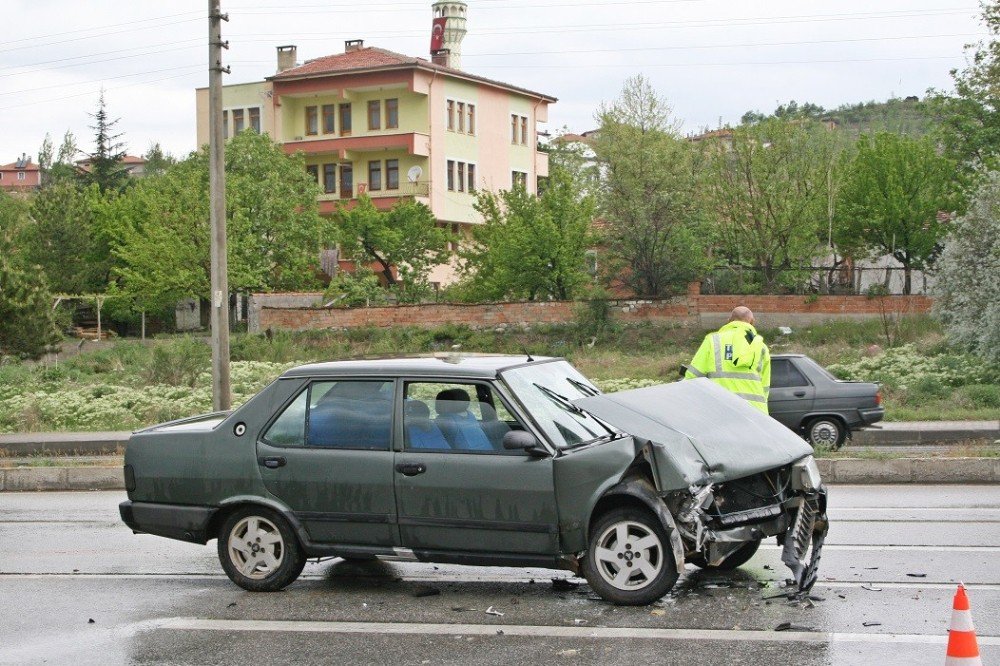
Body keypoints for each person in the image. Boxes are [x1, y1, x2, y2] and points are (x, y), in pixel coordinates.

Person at [684, 306, 771, 414]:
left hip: (721, 411)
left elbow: (693, 376)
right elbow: (765, 387)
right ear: (752, 322)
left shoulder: (713, 341)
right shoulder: (761, 346)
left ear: (729, 321)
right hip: (756, 412)